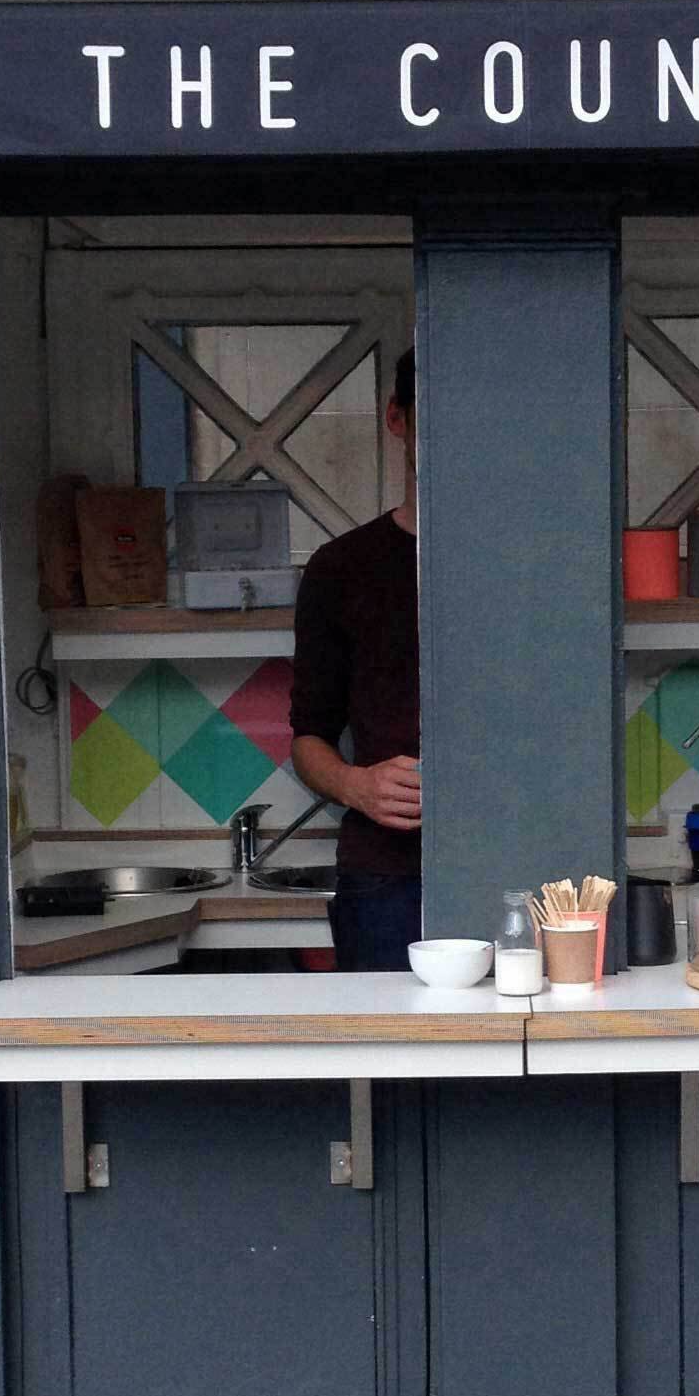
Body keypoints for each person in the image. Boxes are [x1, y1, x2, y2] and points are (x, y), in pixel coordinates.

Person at [290, 345, 421, 973]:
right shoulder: (341, 569)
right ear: (398, 418)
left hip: (522, 872)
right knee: (393, 1068)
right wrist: (356, 785)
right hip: (385, 878)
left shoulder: (529, 566)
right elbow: (307, 736)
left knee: (515, 1069)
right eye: (435, 416)